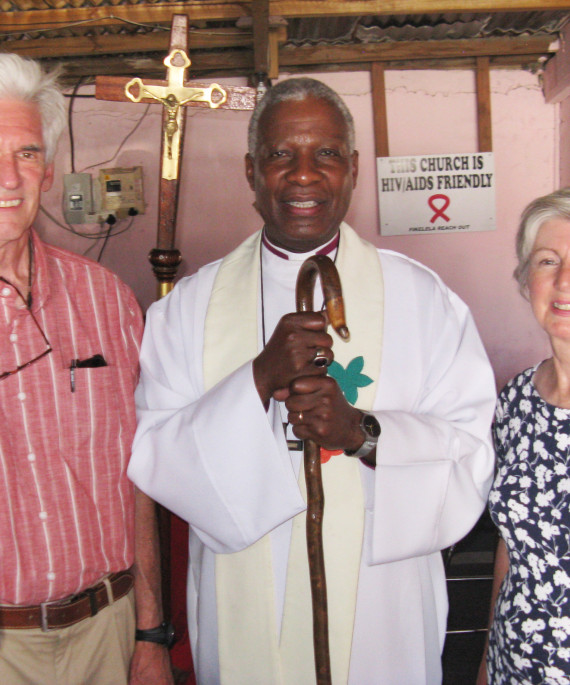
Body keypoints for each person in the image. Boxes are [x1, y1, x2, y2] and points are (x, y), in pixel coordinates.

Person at [128, 77, 496, 685]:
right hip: (244, 595)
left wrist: (364, 433)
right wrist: (256, 379)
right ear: (251, 171)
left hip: (382, 613)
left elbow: (471, 452)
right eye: (280, 154)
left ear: (352, 168)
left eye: (326, 153)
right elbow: (158, 457)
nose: (304, 174)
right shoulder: (185, 311)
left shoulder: (424, 300)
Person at [0, 54, 173, 684]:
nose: (8, 176)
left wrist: (151, 633)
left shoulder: (104, 299)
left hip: (108, 629)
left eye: (24, 153)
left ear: (48, 172)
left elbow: (138, 474)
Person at [477, 188, 570, 685]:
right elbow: (512, 547)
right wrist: (488, 664)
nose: (564, 281)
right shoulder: (515, 400)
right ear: (525, 279)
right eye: (548, 261)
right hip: (515, 666)